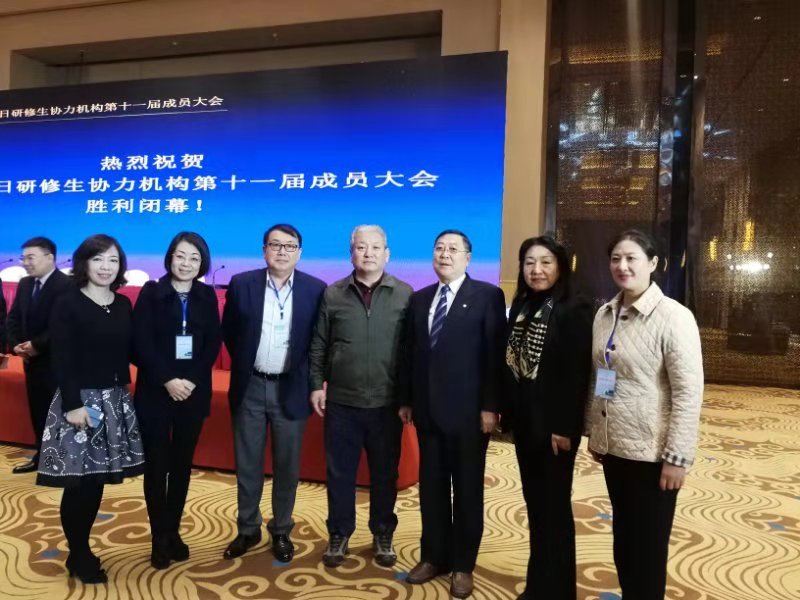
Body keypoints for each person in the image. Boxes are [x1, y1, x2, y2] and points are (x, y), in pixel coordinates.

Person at [585, 229, 703, 600]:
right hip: (615, 447)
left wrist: (677, 458)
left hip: (653, 455)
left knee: (648, 548)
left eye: (631, 258)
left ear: (652, 263)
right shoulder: (606, 314)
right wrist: (596, 432)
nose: (622, 266)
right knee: (624, 540)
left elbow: (688, 393)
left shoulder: (674, 317)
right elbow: (603, 376)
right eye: (616, 258)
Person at [400, 229, 506, 599]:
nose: (445, 254)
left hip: (469, 416)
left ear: (468, 257)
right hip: (428, 413)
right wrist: (407, 399)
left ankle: (463, 565)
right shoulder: (420, 298)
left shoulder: (487, 295)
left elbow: (494, 355)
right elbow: (411, 354)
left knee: (467, 491)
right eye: (439, 248)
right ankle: (434, 556)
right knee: (431, 490)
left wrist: (491, 406)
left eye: (453, 249)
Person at [37, 234, 145, 584]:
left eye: (113, 260)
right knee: (78, 484)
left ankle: (80, 549)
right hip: (80, 404)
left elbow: (133, 351)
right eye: (98, 259)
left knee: (95, 482)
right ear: (84, 262)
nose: (106, 267)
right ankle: (79, 552)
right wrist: (72, 405)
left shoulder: (122, 304)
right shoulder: (68, 302)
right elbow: (61, 357)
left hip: (113, 401)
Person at [308, 225, 412, 568]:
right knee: (340, 474)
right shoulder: (333, 294)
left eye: (375, 247)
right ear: (351, 252)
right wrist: (316, 384)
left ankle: (383, 533)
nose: (368, 253)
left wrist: (408, 397)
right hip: (342, 403)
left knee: (385, 475)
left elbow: (411, 352)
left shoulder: (404, 294)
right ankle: (339, 534)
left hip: (387, 405)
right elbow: (319, 344)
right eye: (361, 247)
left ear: (387, 253)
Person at [221, 224, 326, 563]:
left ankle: (281, 529)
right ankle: (247, 528)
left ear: (300, 252)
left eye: (289, 246)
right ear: (264, 249)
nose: (282, 251)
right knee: (247, 463)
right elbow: (230, 333)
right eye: (275, 245)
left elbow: (317, 343)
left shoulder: (315, 289)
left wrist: (313, 382)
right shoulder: (242, 284)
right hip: (250, 385)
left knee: (287, 466)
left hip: (291, 388)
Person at [503, 236, 593, 600]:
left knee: (554, 511)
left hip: (556, 429)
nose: (536, 270)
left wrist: (564, 427)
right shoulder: (522, 304)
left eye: (545, 262)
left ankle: (558, 591)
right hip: (526, 425)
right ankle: (538, 585)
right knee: (536, 508)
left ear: (560, 267)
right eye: (529, 263)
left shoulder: (575, 307)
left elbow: (577, 375)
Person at [132, 232, 222, 569]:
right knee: (157, 467)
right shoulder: (151, 293)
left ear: (202, 263)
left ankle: (173, 531)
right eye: (180, 256)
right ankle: (158, 536)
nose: (186, 263)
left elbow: (212, 342)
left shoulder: (206, 295)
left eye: (194, 258)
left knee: (182, 465)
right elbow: (140, 343)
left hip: (193, 393)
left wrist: (191, 380)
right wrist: (168, 380)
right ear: (170, 257)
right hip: (156, 392)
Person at [6, 237, 72, 473]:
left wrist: (36, 345)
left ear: (49, 257)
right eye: (23, 258)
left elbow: (62, 325)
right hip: (30, 361)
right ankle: (42, 455)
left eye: (30, 257)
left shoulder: (66, 285)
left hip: (56, 361)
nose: (25, 262)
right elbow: (13, 318)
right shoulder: (25, 284)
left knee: (58, 412)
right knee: (38, 410)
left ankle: (62, 459)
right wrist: (16, 345)